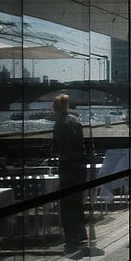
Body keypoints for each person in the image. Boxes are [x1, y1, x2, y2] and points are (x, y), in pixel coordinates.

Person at [52, 94, 88, 249]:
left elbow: (57, 147)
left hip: (67, 164)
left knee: (66, 202)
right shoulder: (75, 120)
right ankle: (80, 233)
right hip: (79, 164)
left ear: (56, 108)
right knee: (77, 200)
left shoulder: (60, 123)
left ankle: (70, 235)